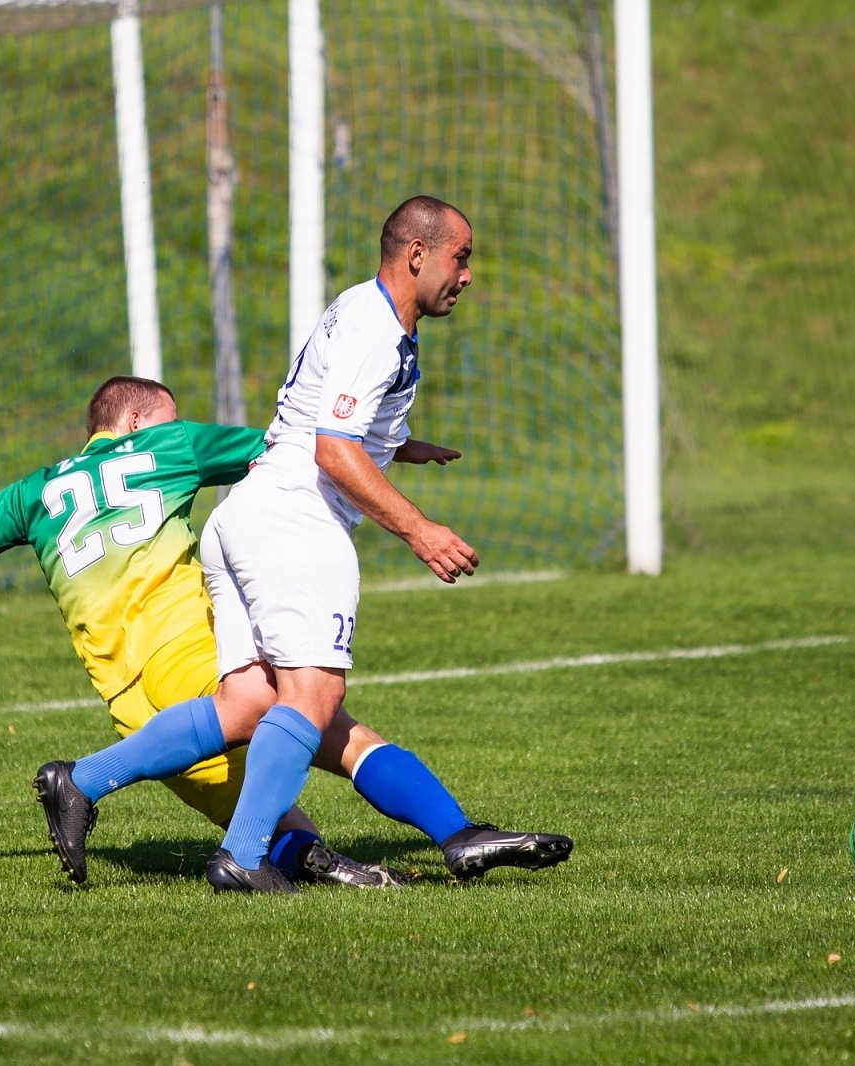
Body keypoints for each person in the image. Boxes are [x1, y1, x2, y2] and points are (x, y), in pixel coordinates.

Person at [0, 376, 401, 889]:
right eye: (168, 416)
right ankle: (443, 827)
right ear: (136, 421)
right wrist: (389, 447)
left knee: (265, 821)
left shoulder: (32, 493)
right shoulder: (167, 446)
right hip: (189, 660)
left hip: (132, 711)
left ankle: (325, 864)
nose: (175, 425)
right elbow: (294, 451)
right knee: (316, 712)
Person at [197, 196, 573, 893]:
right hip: (296, 519)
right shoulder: (376, 329)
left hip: (247, 512)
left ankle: (82, 781)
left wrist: (399, 446)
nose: (467, 275)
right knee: (314, 698)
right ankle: (242, 855)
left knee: (251, 704)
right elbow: (333, 449)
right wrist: (420, 530)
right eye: (461, 257)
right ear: (417, 254)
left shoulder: (364, 310)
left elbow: (328, 419)